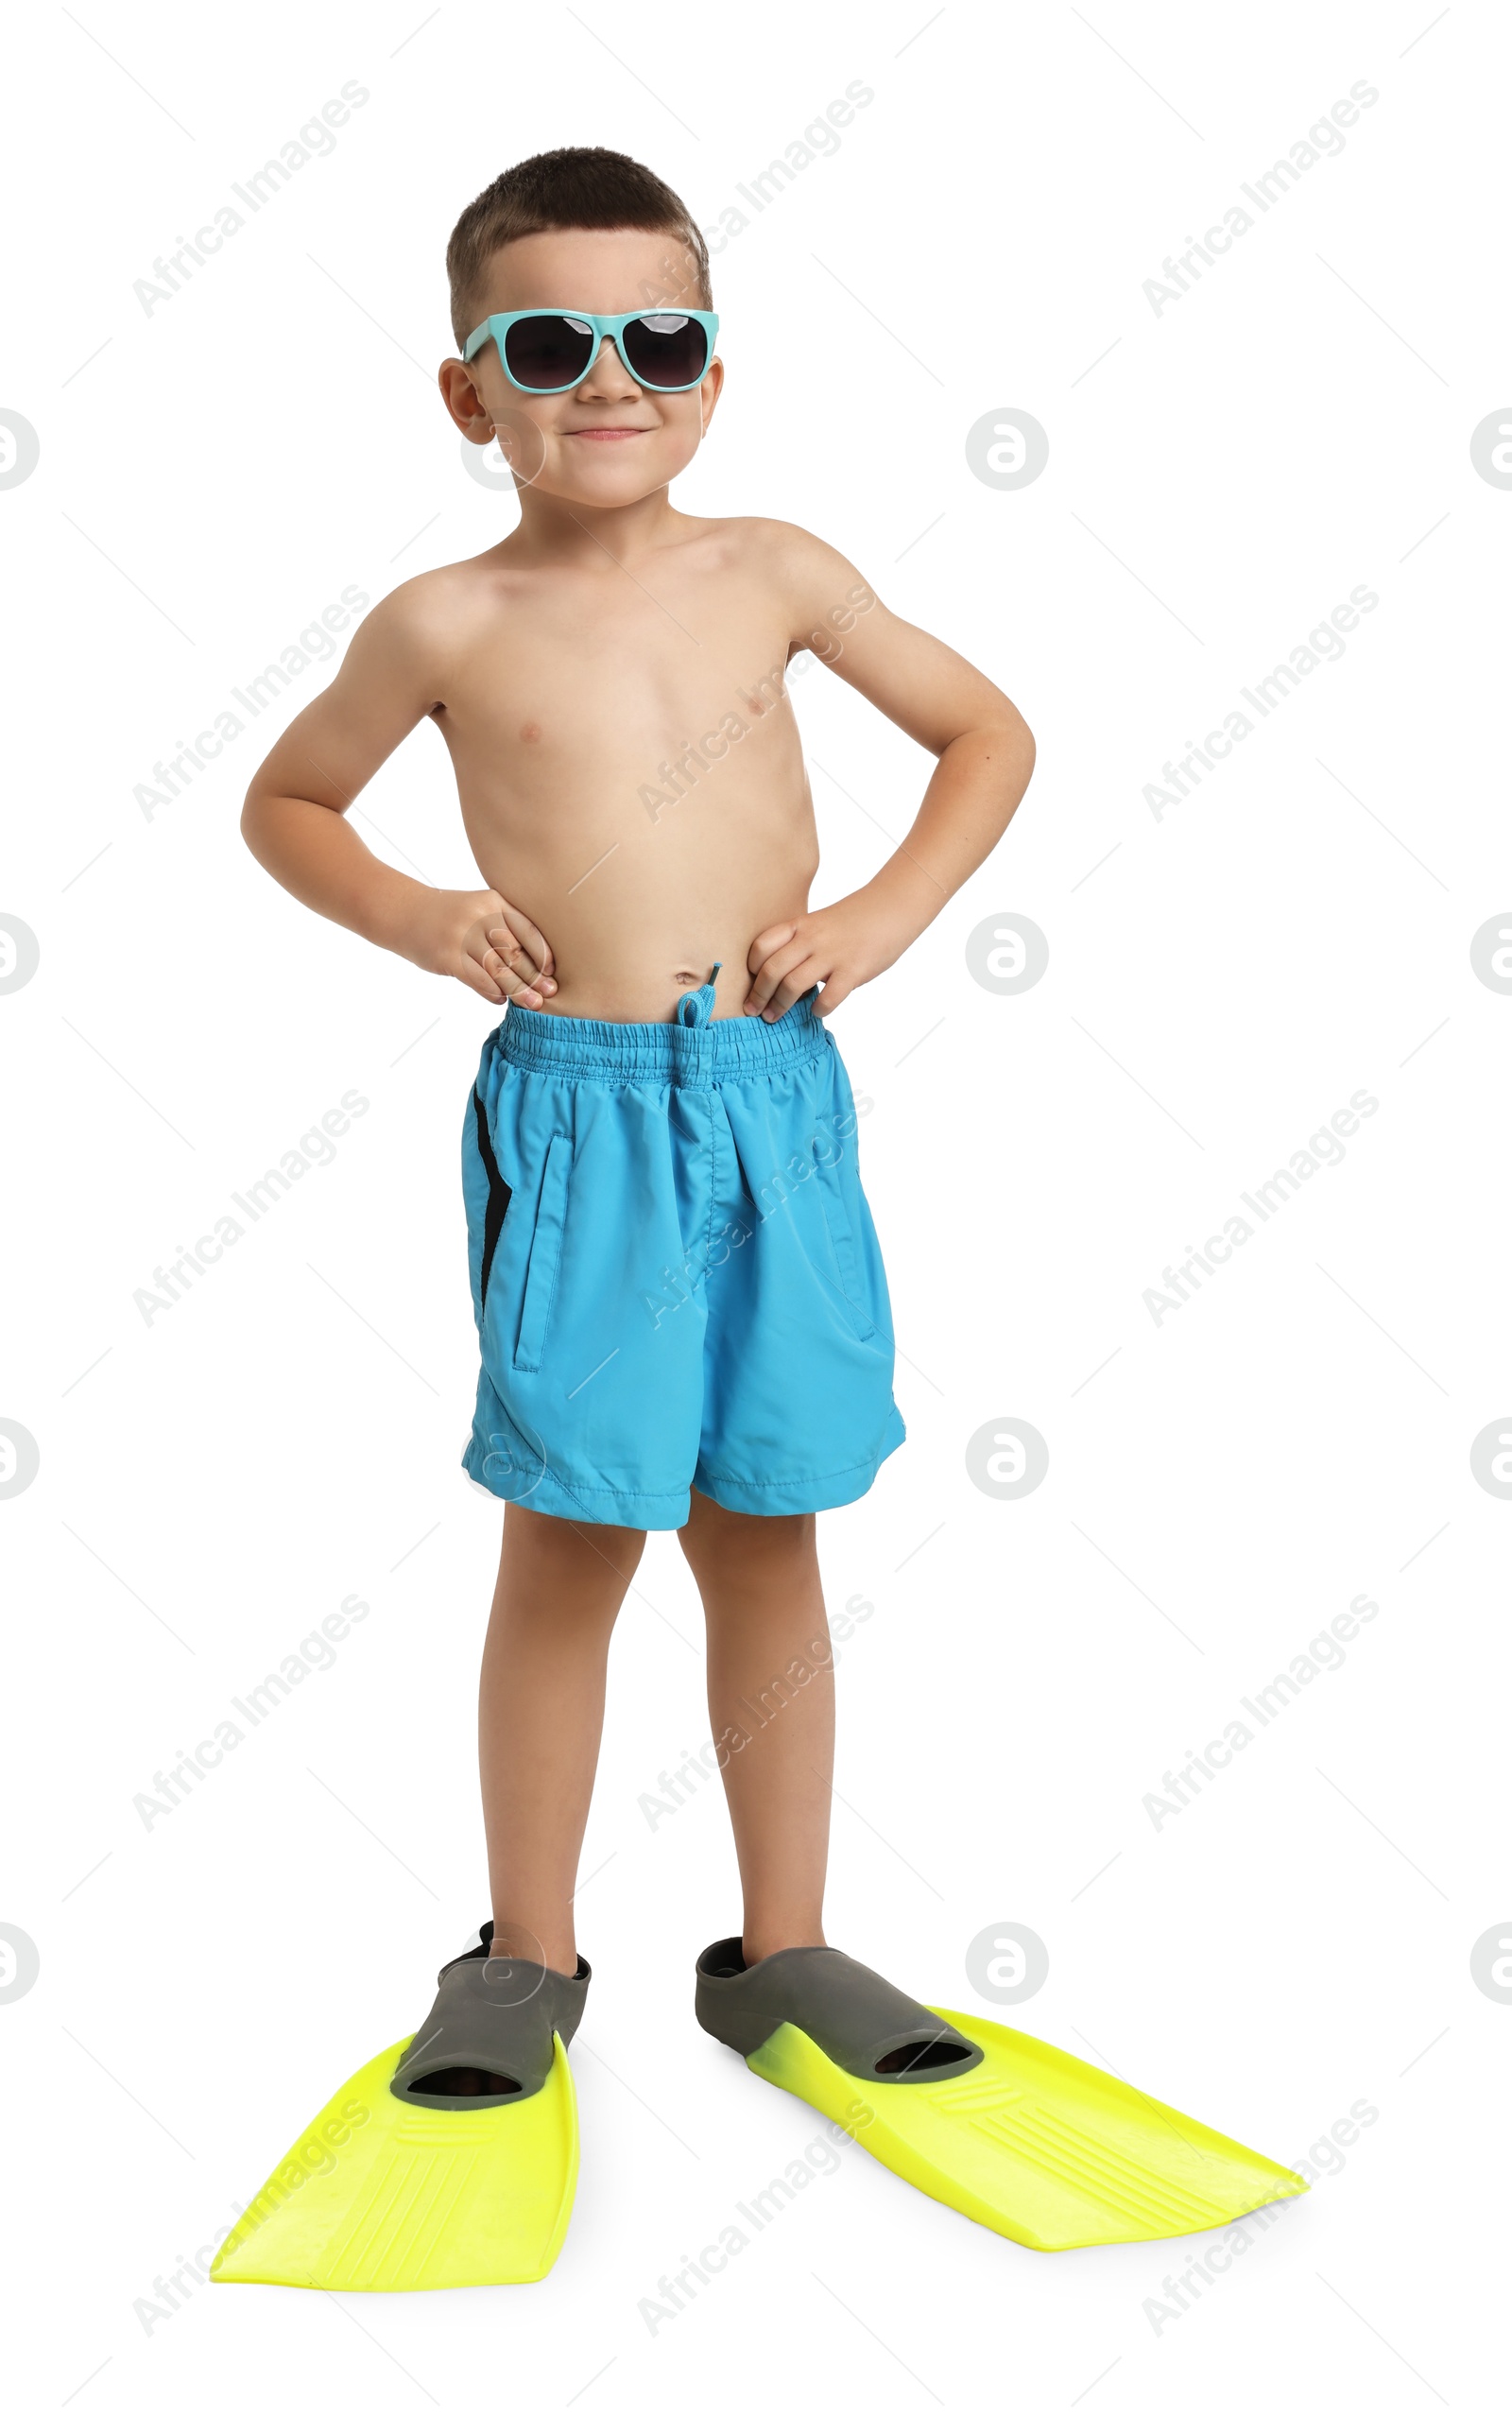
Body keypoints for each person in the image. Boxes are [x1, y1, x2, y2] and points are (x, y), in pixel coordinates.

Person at [234, 147, 1041, 2276]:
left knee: (764, 1524)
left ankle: (780, 1950)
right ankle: (524, 1953)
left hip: (770, 1098)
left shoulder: (777, 569)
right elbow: (286, 803)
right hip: (582, 1114)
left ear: (710, 369)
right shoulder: (441, 619)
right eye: (550, 343)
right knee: (572, 1532)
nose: (610, 377)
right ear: (465, 389)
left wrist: (875, 909)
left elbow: (983, 731)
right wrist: (416, 913)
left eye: (655, 337)